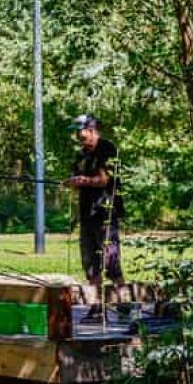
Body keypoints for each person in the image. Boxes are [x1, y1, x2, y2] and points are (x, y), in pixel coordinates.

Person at [64, 114, 125, 313]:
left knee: (111, 262)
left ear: (91, 130)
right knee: (90, 264)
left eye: (80, 133)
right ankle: (97, 308)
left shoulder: (107, 149)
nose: (77, 137)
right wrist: (72, 182)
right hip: (86, 214)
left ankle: (125, 307)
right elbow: (77, 180)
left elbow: (105, 180)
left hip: (105, 212)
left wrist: (82, 180)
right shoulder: (81, 155)